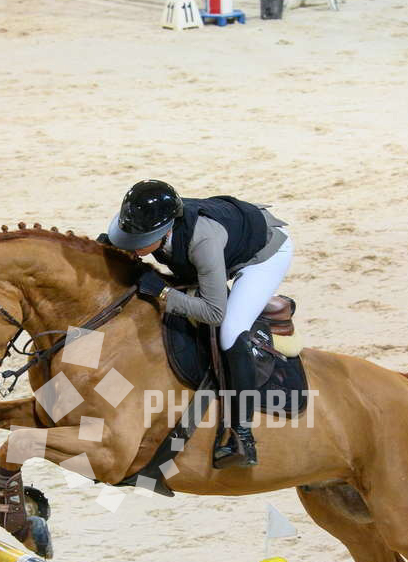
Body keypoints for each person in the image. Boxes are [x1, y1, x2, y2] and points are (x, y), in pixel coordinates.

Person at [106, 180, 293, 469]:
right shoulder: (140, 219)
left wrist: (164, 293)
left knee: (231, 330)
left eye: (140, 241)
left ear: (166, 231)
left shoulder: (202, 242)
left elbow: (214, 312)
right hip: (223, 244)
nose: (133, 246)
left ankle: (242, 434)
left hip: (263, 256)